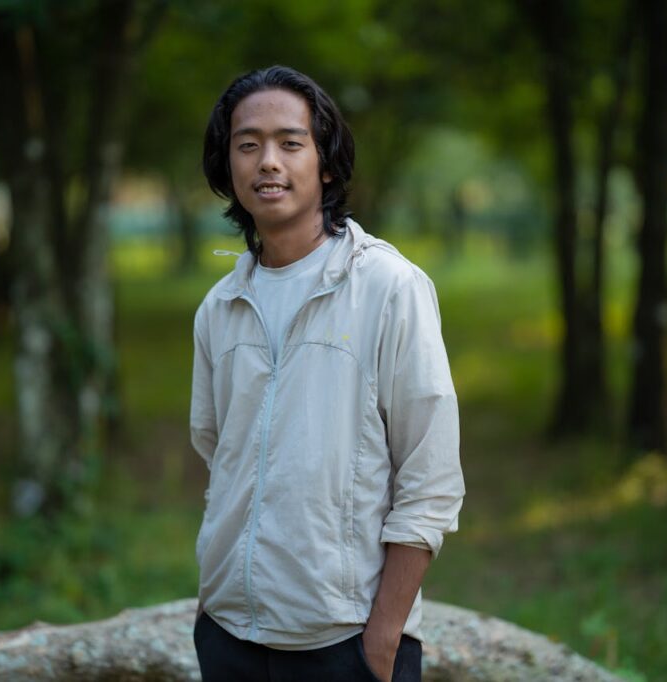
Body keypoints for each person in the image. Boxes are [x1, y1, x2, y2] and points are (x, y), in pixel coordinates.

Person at [190, 65, 464, 682]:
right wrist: (212, 605)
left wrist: (383, 638)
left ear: (327, 163)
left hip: (345, 643)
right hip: (229, 636)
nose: (267, 162)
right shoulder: (220, 308)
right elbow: (220, 457)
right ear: (227, 165)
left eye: (291, 143)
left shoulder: (388, 288)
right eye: (247, 143)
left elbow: (431, 474)